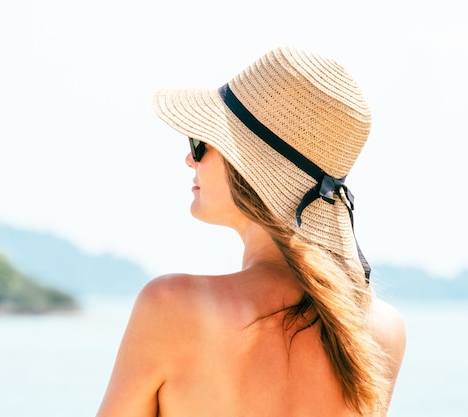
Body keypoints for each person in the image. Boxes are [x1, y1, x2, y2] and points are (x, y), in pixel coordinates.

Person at [96, 46, 406, 417]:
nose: (190, 159)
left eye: (201, 143)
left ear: (247, 166)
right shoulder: (382, 330)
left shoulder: (172, 306)